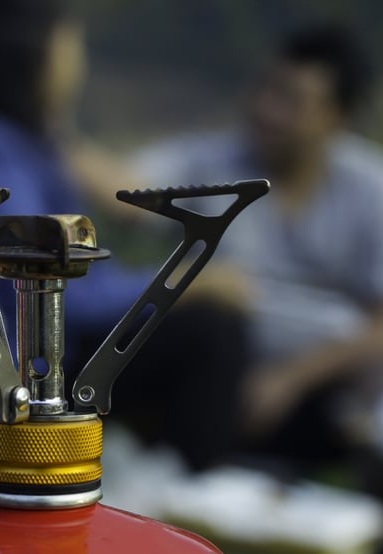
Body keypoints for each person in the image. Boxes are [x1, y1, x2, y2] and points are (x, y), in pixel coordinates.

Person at [0, 0, 250, 471]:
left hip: (54, 350)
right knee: (211, 331)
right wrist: (187, 280)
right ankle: (199, 490)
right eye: (69, 47)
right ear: (30, 55)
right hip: (30, 368)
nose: (78, 64)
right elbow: (61, 292)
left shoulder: (14, 143)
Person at [135, 23, 383, 476]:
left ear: (337, 116)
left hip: (326, 382)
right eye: (267, 88)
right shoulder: (215, 162)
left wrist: (290, 379)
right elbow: (129, 190)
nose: (267, 110)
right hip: (219, 373)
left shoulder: (369, 188)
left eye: (291, 99)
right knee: (209, 327)